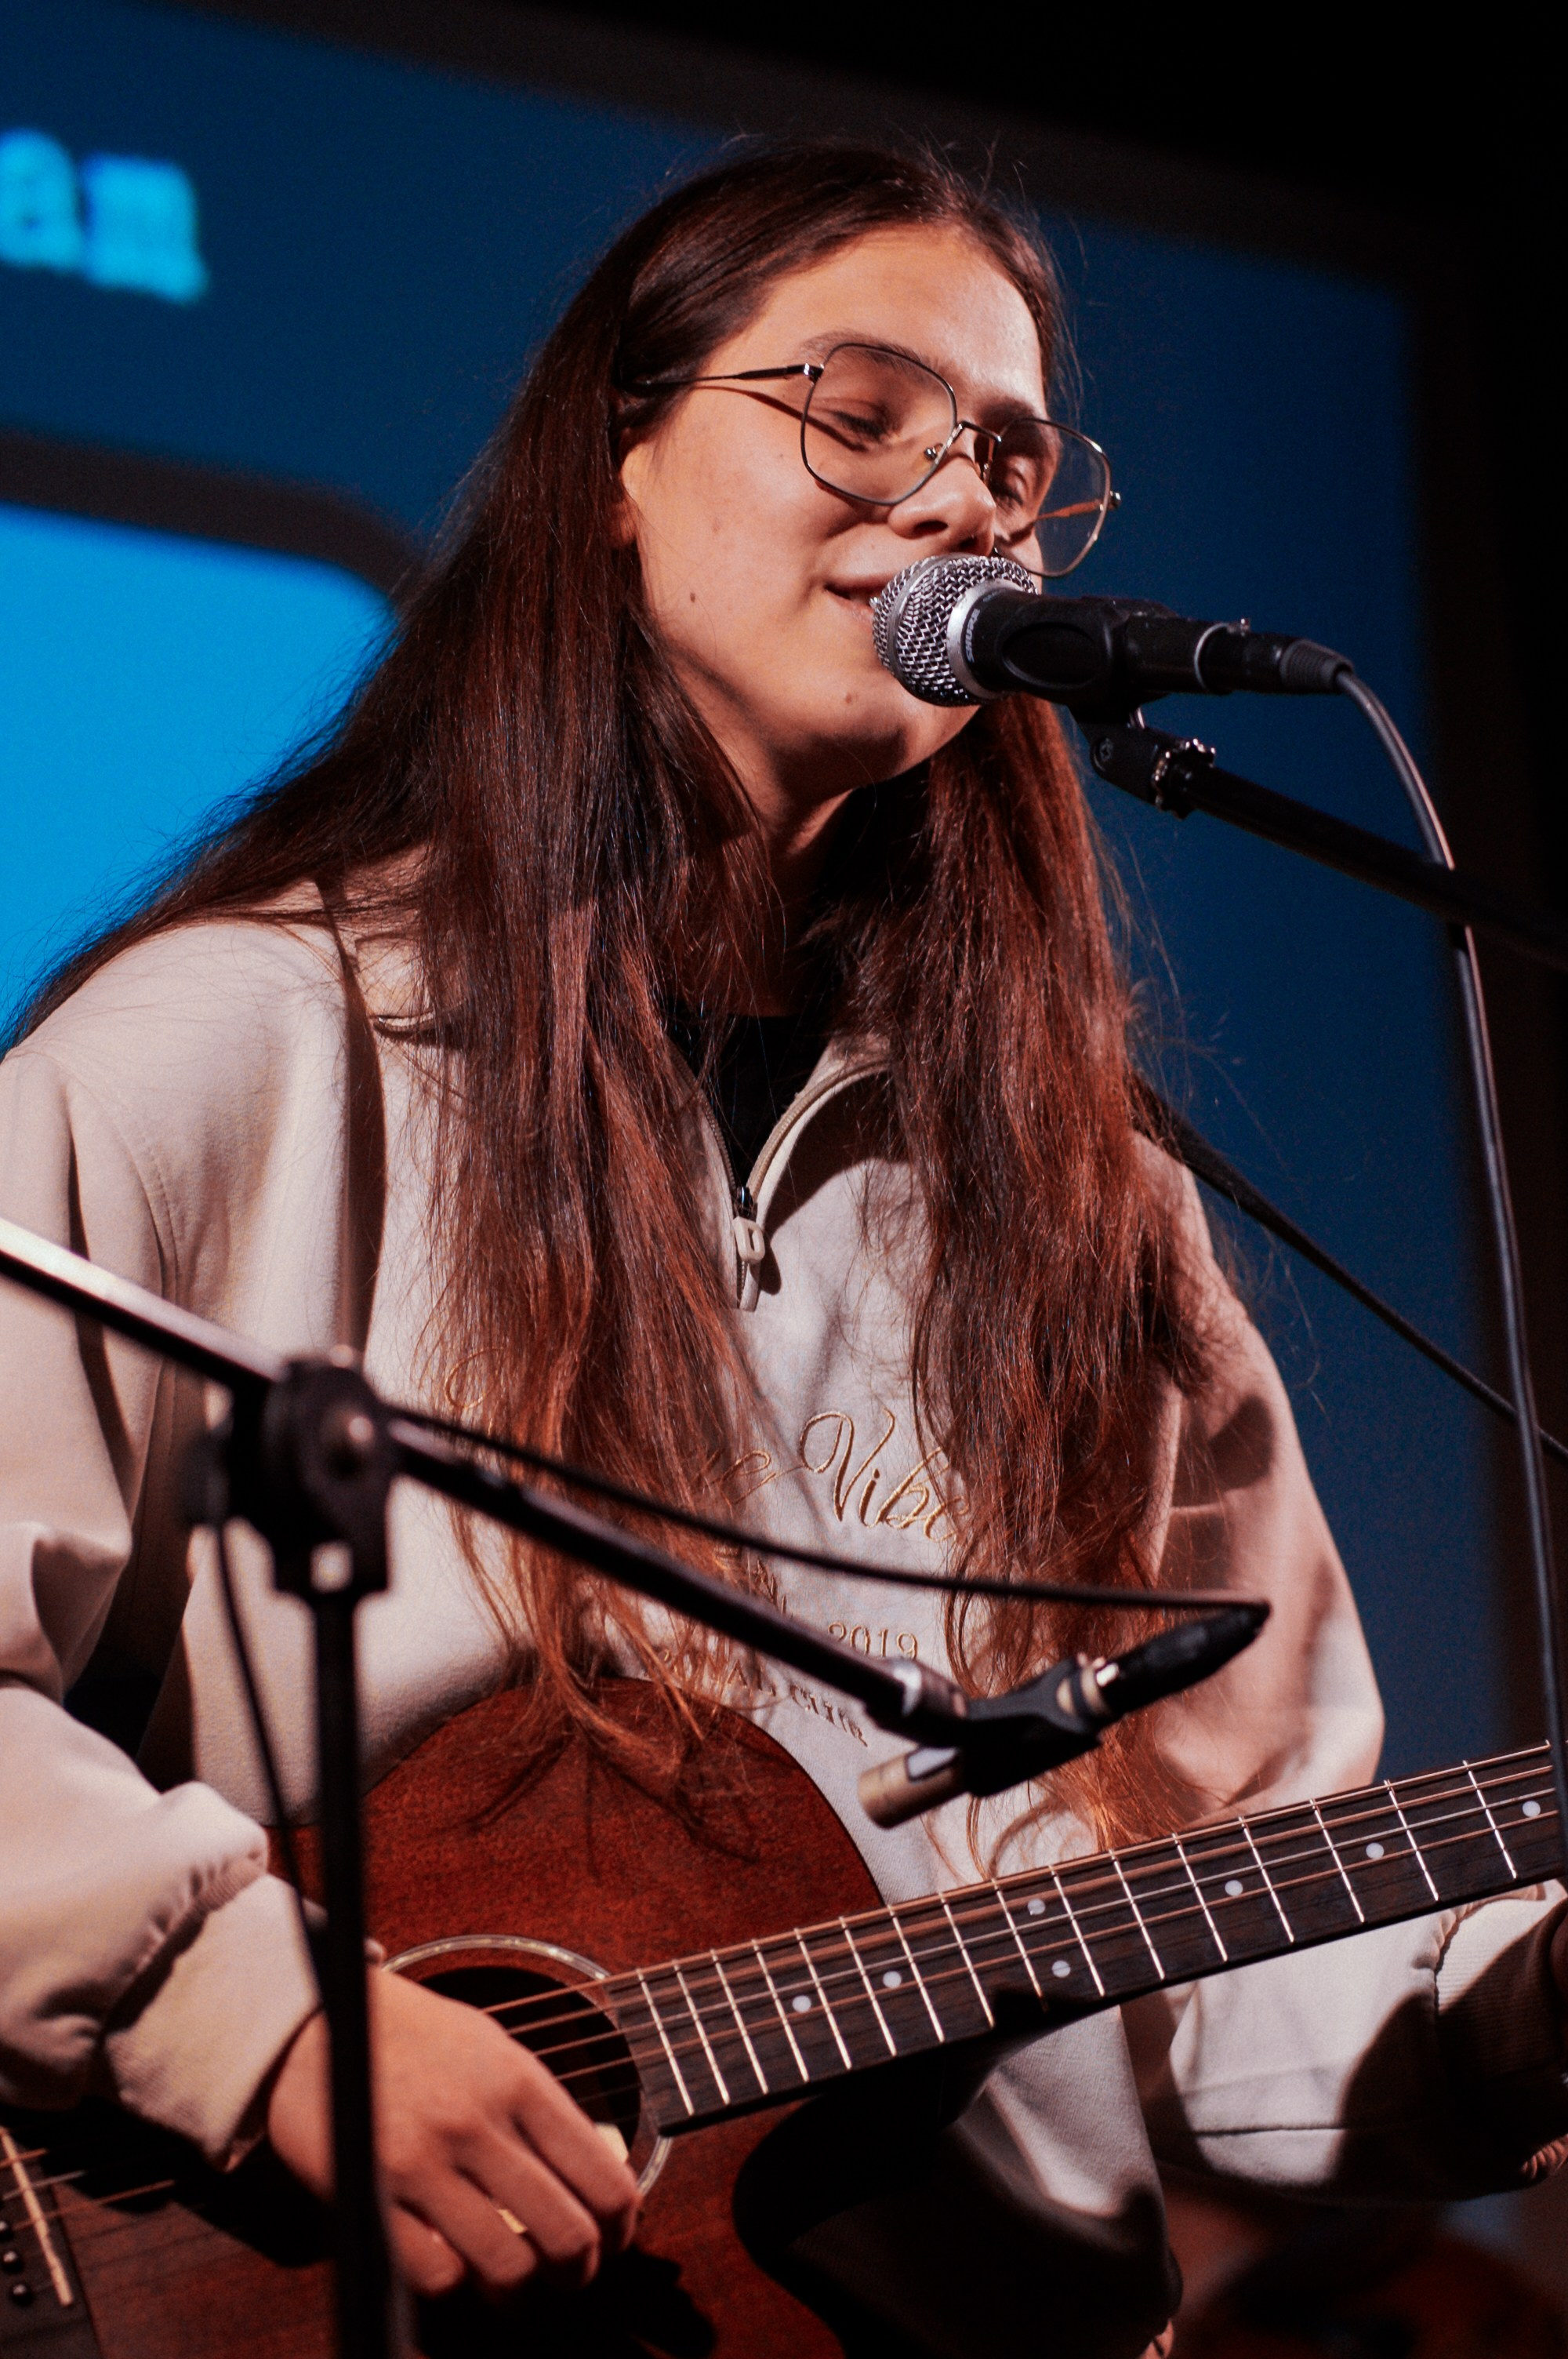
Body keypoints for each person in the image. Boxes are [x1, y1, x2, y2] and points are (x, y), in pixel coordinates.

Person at [2, 144, 1565, 2359]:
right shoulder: (238, 1050)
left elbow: (1247, 1951)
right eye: (860, 409)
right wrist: (255, 2016)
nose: (958, 502)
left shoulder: (1086, 1207)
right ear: (617, 469)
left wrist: (1522, 2022)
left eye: (1013, 457)